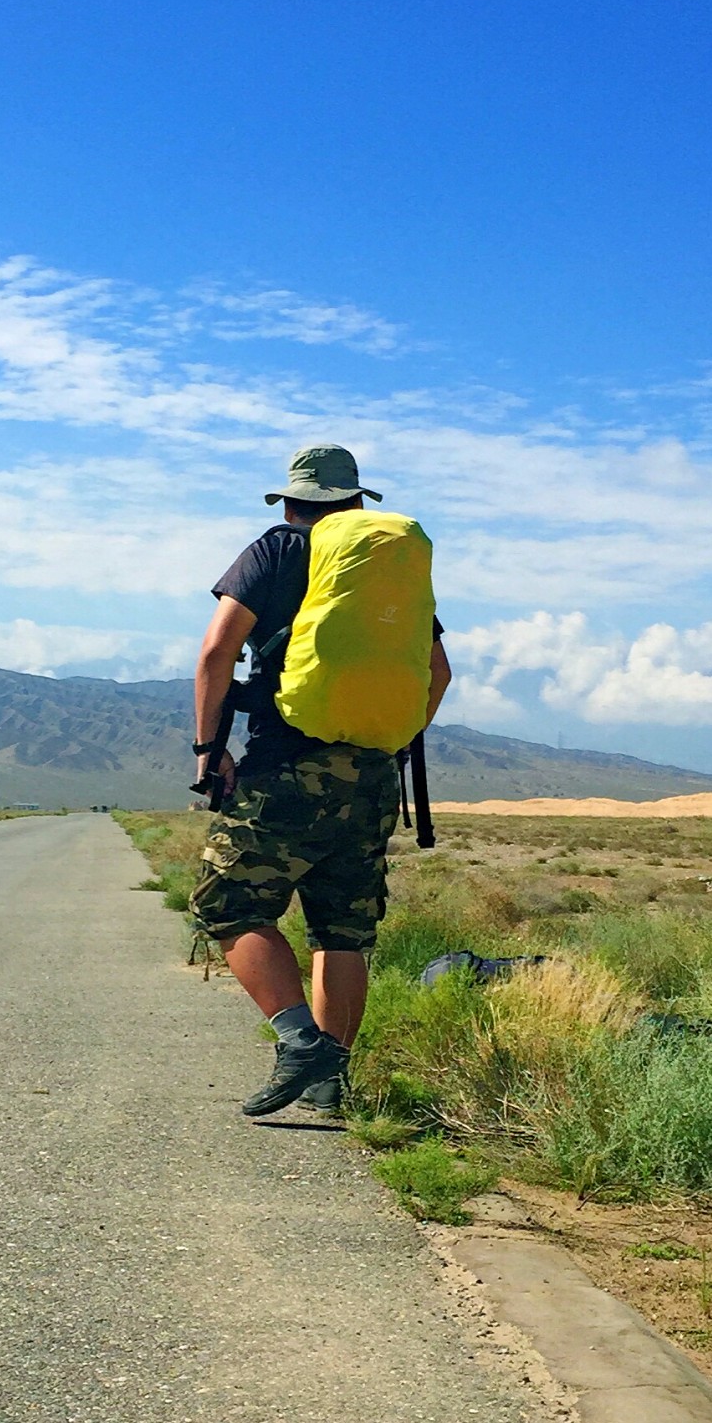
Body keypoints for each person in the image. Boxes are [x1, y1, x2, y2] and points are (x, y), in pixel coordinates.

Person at [189, 443, 452, 1117]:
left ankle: (302, 1042)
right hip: (371, 776)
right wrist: (385, 745)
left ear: (293, 500)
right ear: (360, 502)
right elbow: (439, 671)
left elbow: (218, 650)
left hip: (286, 767)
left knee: (229, 904)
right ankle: (331, 1086)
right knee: (341, 930)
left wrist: (207, 748)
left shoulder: (277, 551)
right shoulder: (387, 565)